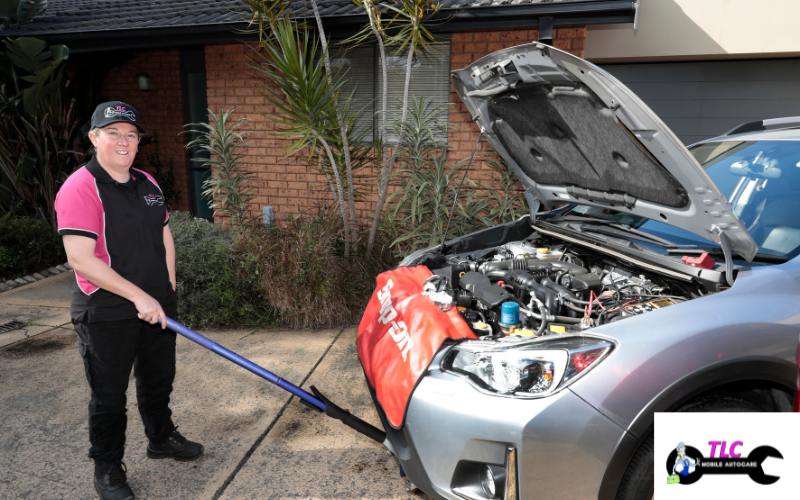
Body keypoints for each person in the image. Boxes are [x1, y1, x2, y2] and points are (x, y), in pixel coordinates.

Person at [55, 102, 203, 500]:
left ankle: (160, 438)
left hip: (156, 306)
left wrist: (167, 286)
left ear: (139, 140)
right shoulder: (80, 187)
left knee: (158, 381)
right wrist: (139, 296)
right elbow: (80, 259)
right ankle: (107, 466)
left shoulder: (148, 183)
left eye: (131, 134)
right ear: (94, 138)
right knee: (108, 396)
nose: (123, 141)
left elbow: (165, 235)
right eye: (113, 132)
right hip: (105, 311)